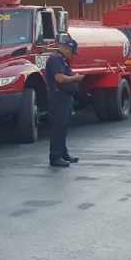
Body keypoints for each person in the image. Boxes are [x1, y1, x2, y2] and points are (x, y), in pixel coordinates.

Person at [45, 34, 85, 167]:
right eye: (72, 53)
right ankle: (55, 156)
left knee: (63, 127)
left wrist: (73, 75)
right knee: (58, 127)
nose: (72, 56)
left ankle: (63, 153)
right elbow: (59, 78)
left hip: (65, 97)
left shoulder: (63, 60)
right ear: (67, 49)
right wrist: (75, 78)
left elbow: (66, 74)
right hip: (58, 98)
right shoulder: (55, 59)